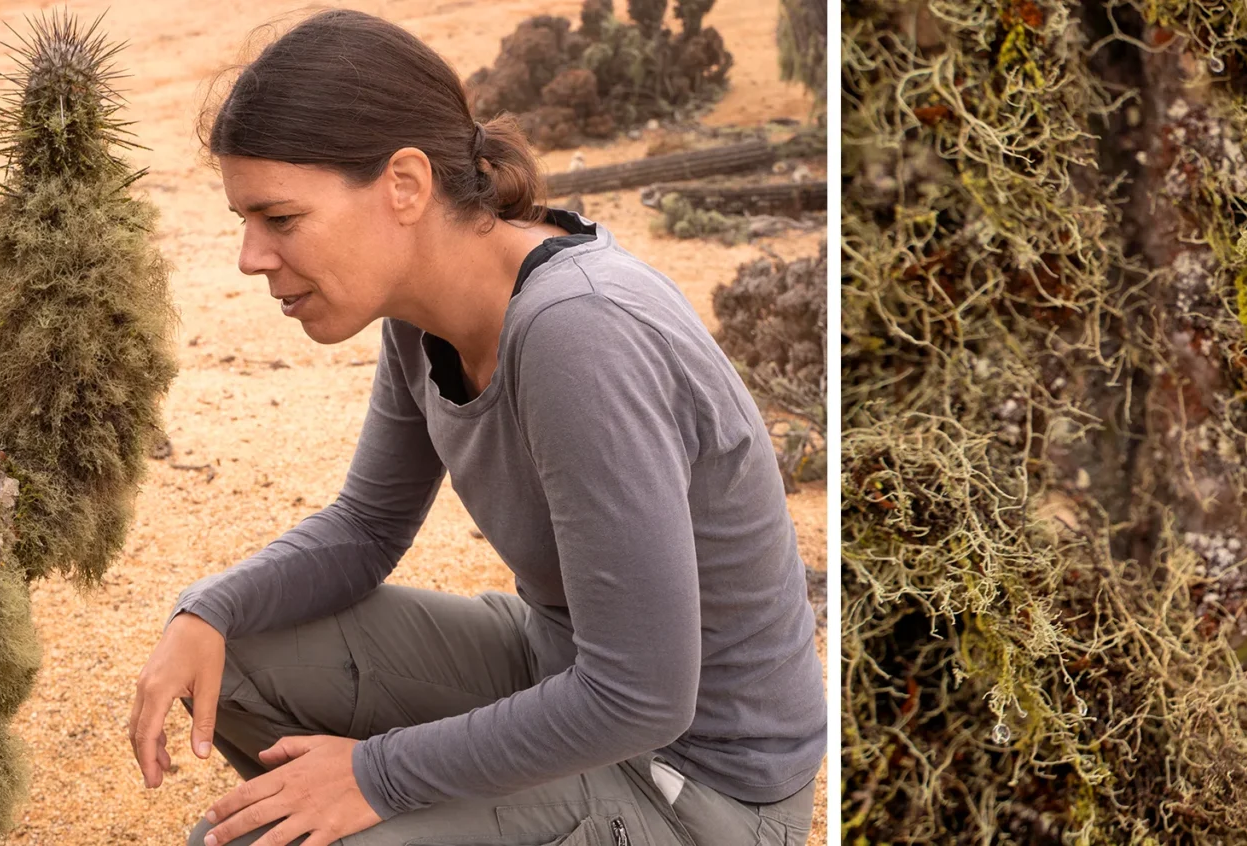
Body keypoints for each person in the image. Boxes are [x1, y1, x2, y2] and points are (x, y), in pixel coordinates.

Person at [125, 10, 825, 845]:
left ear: (405, 185)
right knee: (230, 649)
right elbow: (367, 528)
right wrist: (203, 611)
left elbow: (642, 695)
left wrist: (374, 776)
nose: (251, 256)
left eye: (280, 219)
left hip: (701, 786)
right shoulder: (422, 318)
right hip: (557, 667)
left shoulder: (580, 333)